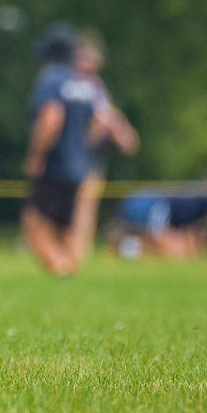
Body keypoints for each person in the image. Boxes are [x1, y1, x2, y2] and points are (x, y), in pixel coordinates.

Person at [21, 23, 109, 277]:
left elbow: (51, 119)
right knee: (64, 227)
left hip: (54, 165)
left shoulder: (51, 79)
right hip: (79, 167)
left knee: (33, 222)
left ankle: (62, 269)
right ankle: (70, 271)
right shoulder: (83, 83)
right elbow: (98, 123)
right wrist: (83, 153)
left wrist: (36, 155)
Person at [68, 31, 139, 261]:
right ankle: (72, 247)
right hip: (74, 154)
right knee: (75, 203)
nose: (90, 62)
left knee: (87, 203)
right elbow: (100, 118)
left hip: (90, 157)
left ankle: (81, 248)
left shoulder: (96, 86)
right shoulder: (71, 82)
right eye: (85, 56)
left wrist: (122, 131)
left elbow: (107, 114)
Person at [114, 176, 207, 260]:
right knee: (172, 251)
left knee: (175, 249)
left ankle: (125, 246)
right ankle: (124, 247)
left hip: (152, 205)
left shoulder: (205, 194)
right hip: (157, 207)